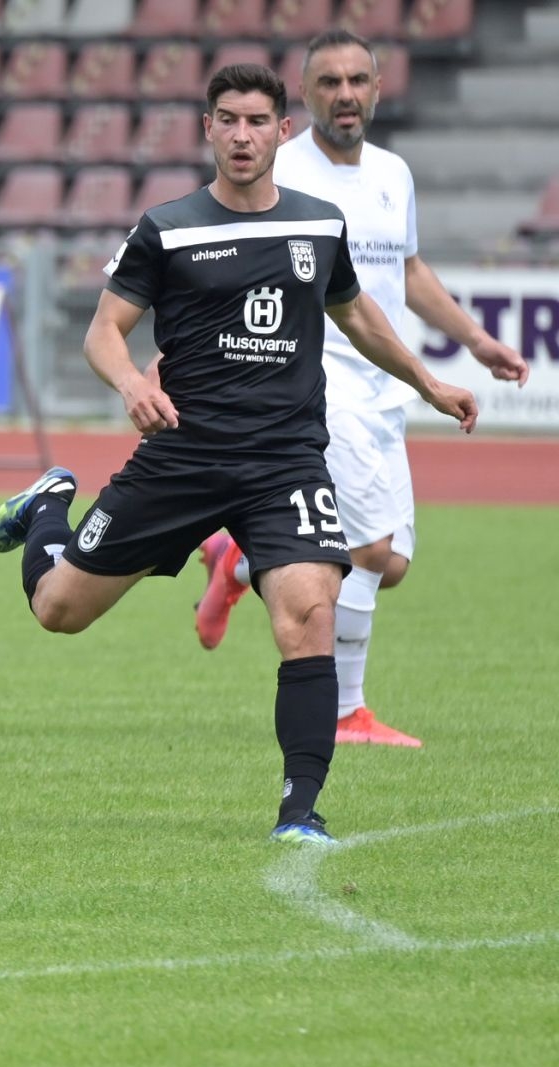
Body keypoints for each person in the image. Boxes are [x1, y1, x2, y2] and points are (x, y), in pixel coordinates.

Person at [0, 64, 476, 847]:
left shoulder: (319, 225)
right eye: (228, 120)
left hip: (286, 462)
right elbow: (104, 332)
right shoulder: (167, 228)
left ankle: (300, 813)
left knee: (309, 615)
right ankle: (50, 501)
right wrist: (130, 384)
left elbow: (358, 316)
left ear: (283, 130)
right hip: (183, 457)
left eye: (256, 122)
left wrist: (429, 382)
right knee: (59, 611)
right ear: (207, 128)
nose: (243, 136)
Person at [189, 30, 529, 749]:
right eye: (329, 82)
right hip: (312, 383)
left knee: (393, 564)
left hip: (382, 386)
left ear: (378, 88)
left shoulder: (392, 174)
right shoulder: (282, 170)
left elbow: (406, 270)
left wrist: (475, 342)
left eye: (356, 81)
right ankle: (347, 714)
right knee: (368, 547)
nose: (344, 94)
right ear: (305, 95)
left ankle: (238, 560)